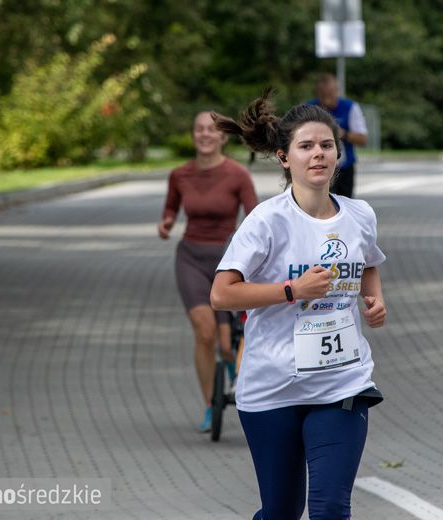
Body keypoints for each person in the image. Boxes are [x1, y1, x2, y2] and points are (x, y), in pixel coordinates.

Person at [210, 89, 387, 519]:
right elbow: (221, 294)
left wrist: (374, 299)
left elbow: (368, 263)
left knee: (330, 509)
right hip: (273, 386)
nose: (318, 154)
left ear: (339, 155)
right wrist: (292, 290)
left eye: (326, 145)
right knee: (282, 511)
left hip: (341, 382)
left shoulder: (359, 215)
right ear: (284, 158)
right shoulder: (267, 221)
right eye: (306, 146)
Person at [158, 111, 258, 432]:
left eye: (211, 130)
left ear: (223, 136)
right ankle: (209, 405)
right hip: (190, 258)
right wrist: (166, 222)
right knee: (205, 332)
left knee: (227, 343)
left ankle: (230, 365)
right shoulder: (179, 174)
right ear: (193, 135)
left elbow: (256, 218)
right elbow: (171, 207)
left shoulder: (238, 175)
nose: (205, 134)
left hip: (227, 262)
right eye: (199, 129)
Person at [308, 73, 368, 198]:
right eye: (323, 95)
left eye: (330, 94)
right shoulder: (309, 108)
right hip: (319, 166)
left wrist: (343, 134)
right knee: (321, 202)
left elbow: (363, 139)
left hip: (344, 167)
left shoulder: (350, 107)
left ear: (337, 91)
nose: (326, 99)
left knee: (345, 203)